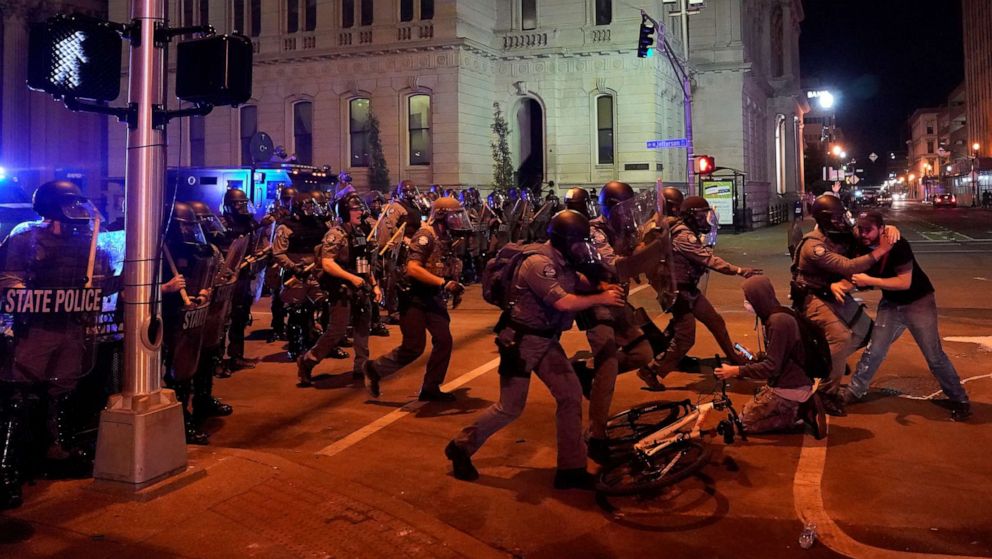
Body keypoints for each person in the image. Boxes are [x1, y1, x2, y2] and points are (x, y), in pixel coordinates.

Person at [446, 210, 625, 489]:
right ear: (564, 240)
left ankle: (571, 469)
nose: (582, 247)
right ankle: (461, 446)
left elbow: (574, 280)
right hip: (519, 342)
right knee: (510, 407)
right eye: (578, 242)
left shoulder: (561, 259)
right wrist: (602, 297)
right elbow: (563, 302)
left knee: (570, 395)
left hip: (545, 341)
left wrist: (599, 282)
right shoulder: (539, 264)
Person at [0, 180, 110, 508]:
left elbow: (102, 272)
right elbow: (9, 277)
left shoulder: (85, 239)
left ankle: (56, 450)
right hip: (36, 328)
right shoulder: (25, 235)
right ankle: (7, 465)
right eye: (70, 205)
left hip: (70, 326)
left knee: (63, 389)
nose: (76, 211)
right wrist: (29, 299)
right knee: (21, 393)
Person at [843, 211, 970, 421]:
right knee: (874, 350)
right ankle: (854, 391)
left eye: (868, 229)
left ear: (881, 230)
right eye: (860, 228)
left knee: (934, 356)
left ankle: (960, 399)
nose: (863, 233)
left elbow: (905, 283)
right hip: (891, 303)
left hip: (918, 302)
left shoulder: (898, 245)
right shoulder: (860, 243)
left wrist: (870, 282)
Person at [639, 196, 760, 389]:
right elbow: (708, 260)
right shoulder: (683, 236)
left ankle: (737, 363)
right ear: (691, 216)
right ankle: (652, 370)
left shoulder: (689, 232)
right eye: (702, 215)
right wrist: (739, 270)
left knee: (716, 322)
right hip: (678, 293)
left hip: (689, 290)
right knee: (686, 338)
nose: (706, 219)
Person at [573, 181, 655, 463]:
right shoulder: (594, 230)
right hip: (596, 301)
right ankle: (596, 435)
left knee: (643, 353)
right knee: (607, 367)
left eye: (630, 208)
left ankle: (586, 373)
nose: (627, 214)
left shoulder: (627, 230)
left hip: (618, 303)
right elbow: (615, 265)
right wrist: (648, 250)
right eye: (622, 208)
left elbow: (639, 256)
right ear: (608, 208)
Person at [791, 195, 893, 416]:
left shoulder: (837, 236)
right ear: (825, 219)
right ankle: (827, 393)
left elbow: (867, 231)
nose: (841, 221)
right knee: (841, 337)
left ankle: (831, 361)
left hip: (831, 292)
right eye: (836, 217)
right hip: (812, 297)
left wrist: (889, 229)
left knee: (866, 331)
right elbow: (848, 266)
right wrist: (881, 251)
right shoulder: (814, 245)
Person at [363, 197, 471, 401]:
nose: (457, 219)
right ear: (440, 216)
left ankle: (431, 387)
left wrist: (453, 286)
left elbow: (446, 264)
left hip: (432, 295)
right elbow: (413, 269)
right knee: (414, 347)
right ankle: (374, 369)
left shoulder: (445, 237)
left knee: (444, 340)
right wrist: (443, 283)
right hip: (413, 296)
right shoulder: (425, 236)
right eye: (453, 215)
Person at [715, 276, 827, 438]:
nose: (746, 303)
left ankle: (800, 412)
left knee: (743, 424)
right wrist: (755, 356)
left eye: (748, 299)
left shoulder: (778, 323)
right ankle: (799, 406)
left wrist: (735, 371)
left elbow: (771, 367)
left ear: (758, 298)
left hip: (788, 388)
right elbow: (780, 355)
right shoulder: (778, 314)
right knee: (744, 416)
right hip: (789, 381)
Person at [297, 195, 380, 387]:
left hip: (361, 286)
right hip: (342, 288)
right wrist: (352, 278)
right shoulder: (336, 234)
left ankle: (361, 367)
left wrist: (374, 284)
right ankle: (308, 360)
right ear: (345, 212)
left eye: (361, 208)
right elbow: (327, 263)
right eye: (355, 209)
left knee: (362, 329)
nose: (361, 212)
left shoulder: (361, 232)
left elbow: (365, 262)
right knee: (337, 330)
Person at [161, 201, 216, 444]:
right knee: (175, 372)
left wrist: (204, 291)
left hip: (190, 314)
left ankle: (194, 410)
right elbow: (130, 289)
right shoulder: (155, 251)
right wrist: (164, 288)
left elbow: (206, 272)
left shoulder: (194, 249)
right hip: (164, 318)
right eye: (185, 227)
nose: (189, 232)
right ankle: (180, 423)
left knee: (191, 365)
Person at [271, 191, 328, 361]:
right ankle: (295, 347)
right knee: (297, 310)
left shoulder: (319, 224)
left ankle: (321, 344)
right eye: (307, 206)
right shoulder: (286, 227)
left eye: (312, 206)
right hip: (297, 275)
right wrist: (294, 267)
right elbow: (278, 253)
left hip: (316, 272)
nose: (310, 210)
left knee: (325, 305)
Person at [218, 188, 264, 372]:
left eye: (244, 203)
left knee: (240, 317)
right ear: (229, 206)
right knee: (223, 320)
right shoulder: (222, 223)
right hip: (226, 278)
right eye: (238, 204)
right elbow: (226, 241)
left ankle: (236, 356)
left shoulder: (250, 222)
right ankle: (218, 361)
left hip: (244, 276)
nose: (242, 207)